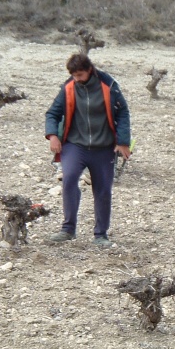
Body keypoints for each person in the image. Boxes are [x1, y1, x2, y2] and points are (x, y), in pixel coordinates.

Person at [45, 54, 131, 248]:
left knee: (102, 190)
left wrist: (123, 142)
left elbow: (123, 112)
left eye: (80, 75)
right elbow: (53, 113)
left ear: (90, 70)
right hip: (75, 145)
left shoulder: (109, 86)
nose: (77, 79)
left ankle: (101, 234)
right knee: (69, 178)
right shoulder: (68, 88)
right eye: (74, 75)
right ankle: (68, 229)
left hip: (104, 148)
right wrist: (52, 135)